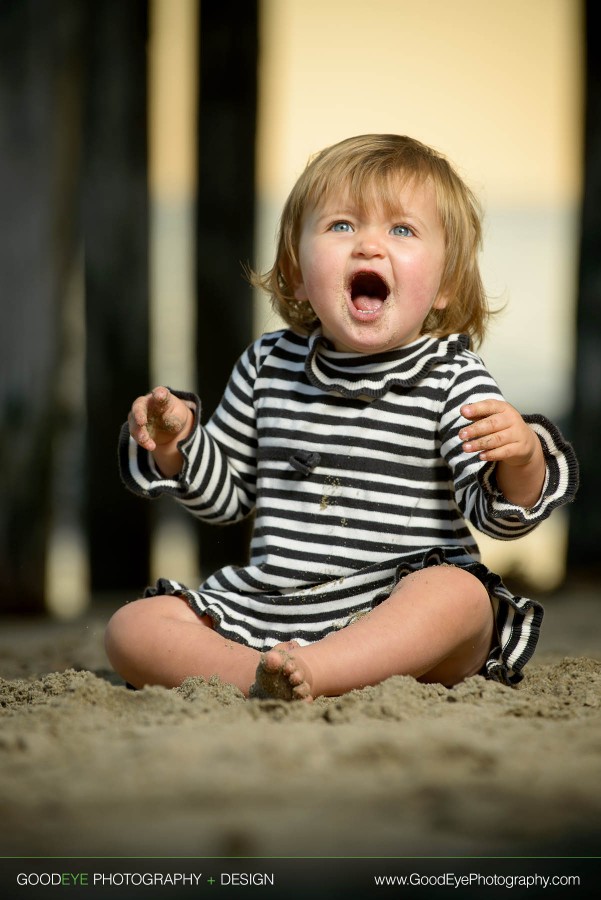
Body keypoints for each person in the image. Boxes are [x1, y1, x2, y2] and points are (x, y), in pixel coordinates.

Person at [105, 134, 578, 701]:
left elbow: (499, 517)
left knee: (459, 596)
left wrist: (522, 455)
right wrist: (176, 446)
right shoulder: (269, 365)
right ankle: (262, 676)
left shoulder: (452, 377)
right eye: (341, 226)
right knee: (133, 626)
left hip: (395, 614)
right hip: (273, 609)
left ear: (447, 284)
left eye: (401, 230)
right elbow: (226, 496)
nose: (369, 247)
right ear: (297, 272)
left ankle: (327, 670)